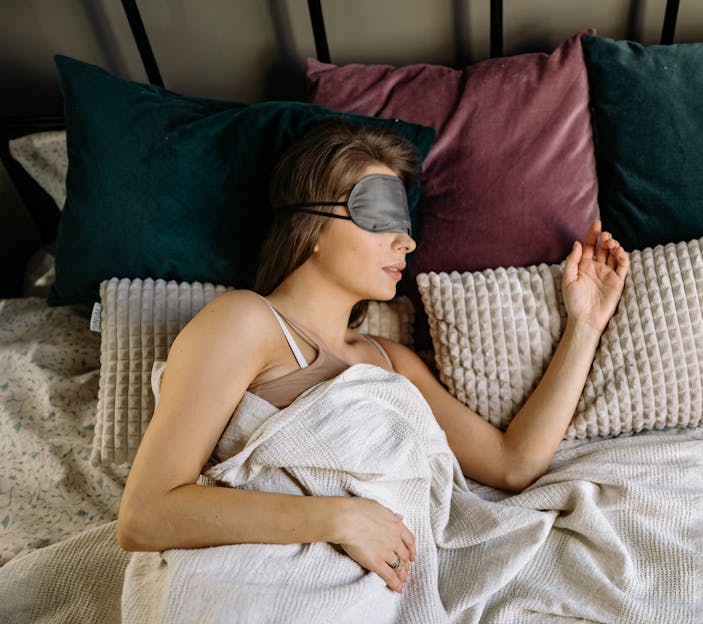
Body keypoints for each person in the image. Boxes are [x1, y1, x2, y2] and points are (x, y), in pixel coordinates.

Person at [116, 119, 629, 595]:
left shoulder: (392, 362)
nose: (405, 241)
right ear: (311, 226)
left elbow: (514, 465)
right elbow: (144, 515)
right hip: (254, 586)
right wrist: (338, 518)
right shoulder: (245, 322)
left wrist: (584, 326)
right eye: (378, 215)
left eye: (404, 223)